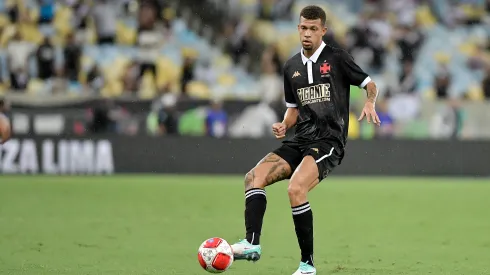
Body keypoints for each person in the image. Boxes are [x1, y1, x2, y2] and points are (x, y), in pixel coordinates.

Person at [230, 6, 381, 275]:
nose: (308, 33)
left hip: (328, 141)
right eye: (303, 28)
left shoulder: (337, 58)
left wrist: (370, 102)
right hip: (300, 139)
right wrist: (284, 124)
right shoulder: (291, 67)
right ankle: (252, 244)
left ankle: (307, 265)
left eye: (313, 28)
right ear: (298, 29)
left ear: (323, 30)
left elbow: (369, 83)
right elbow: (293, 108)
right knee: (253, 177)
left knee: (295, 189)